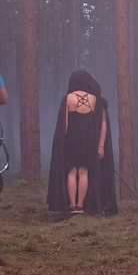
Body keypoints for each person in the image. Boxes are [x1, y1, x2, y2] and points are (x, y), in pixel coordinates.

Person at [47, 70, 118, 216]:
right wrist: (100, 145)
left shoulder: (67, 99)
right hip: (89, 141)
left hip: (71, 140)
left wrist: (61, 143)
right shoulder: (95, 99)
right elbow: (103, 124)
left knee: (71, 172)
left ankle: (72, 205)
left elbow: (65, 124)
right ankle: (80, 205)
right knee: (84, 172)